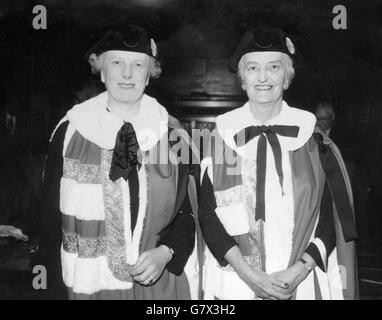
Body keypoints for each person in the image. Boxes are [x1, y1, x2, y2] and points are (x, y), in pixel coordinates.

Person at [37, 25, 197, 300]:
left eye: (137, 65)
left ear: (149, 75)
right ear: (102, 71)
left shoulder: (172, 138)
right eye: (117, 62)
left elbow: (189, 213)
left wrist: (166, 252)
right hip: (88, 286)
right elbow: (50, 220)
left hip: (157, 285)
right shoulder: (69, 132)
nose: (126, 73)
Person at [199, 26, 358, 300]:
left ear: (286, 78)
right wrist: (249, 276)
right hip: (236, 283)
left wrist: (301, 268)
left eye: (274, 67)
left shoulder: (315, 141)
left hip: (301, 281)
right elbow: (208, 216)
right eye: (252, 68)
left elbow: (333, 218)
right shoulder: (219, 140)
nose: (263, 77)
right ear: (242, 79)